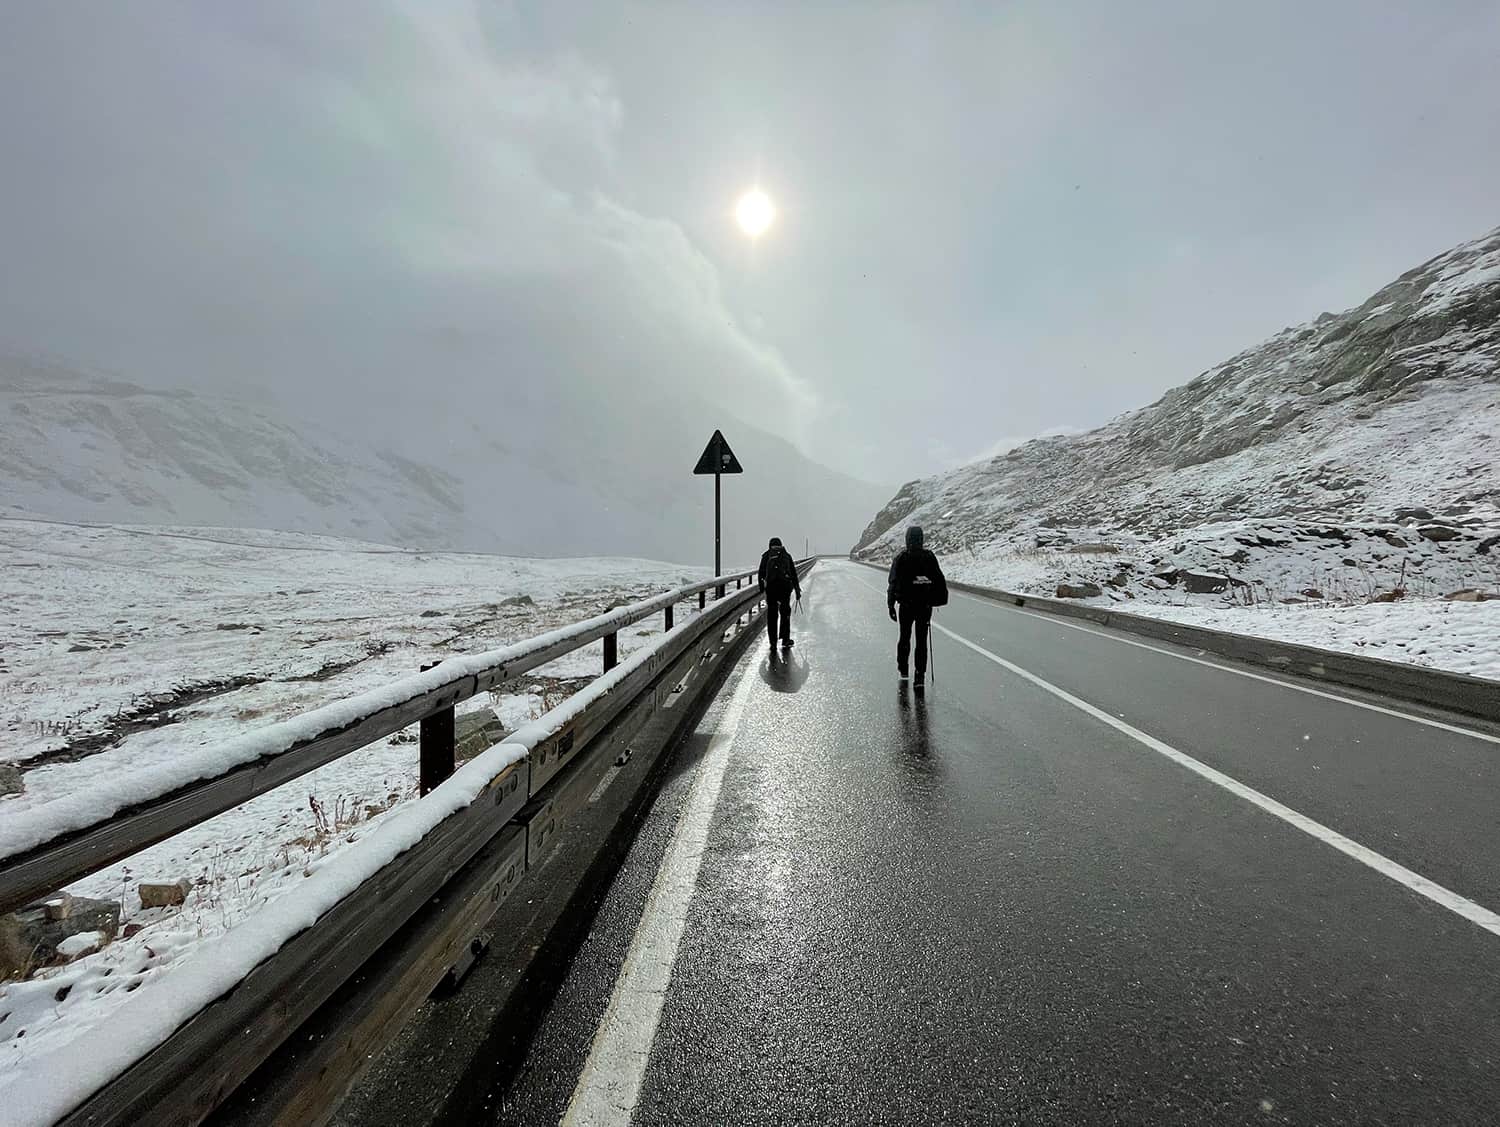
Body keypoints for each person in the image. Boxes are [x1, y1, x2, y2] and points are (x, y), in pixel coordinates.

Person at [887, 525, 948, 692]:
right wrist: (935, 600)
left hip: (906, 606)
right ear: (922, 539)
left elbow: (892, 583)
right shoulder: (929, 557)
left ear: (907, 539)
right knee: (921, 641)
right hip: (924, 606)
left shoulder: (901, 558)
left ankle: (903, 669)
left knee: (904, 637)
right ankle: (920, 675)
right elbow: (939, 580)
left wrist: (891, 605)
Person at [757, 536, 801, 652]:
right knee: (785, 614)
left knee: (772, 616)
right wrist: (797, 590)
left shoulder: (766, 556)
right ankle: (785, 640)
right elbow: (793, 573)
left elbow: (761, 573)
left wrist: (762, 589)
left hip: (771, 591)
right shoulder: (786, 556)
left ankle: (773, 643)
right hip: (784, 590)